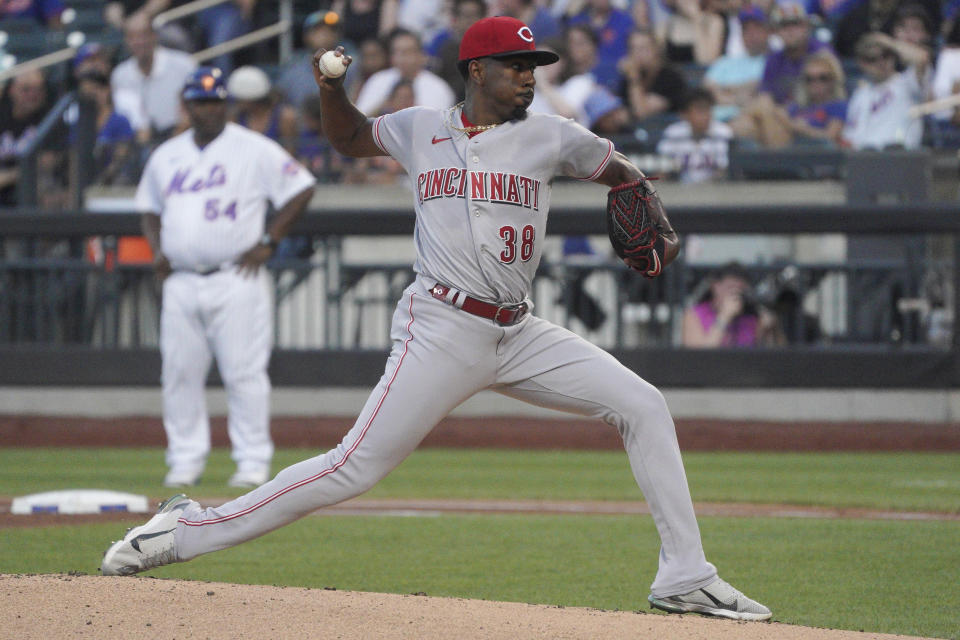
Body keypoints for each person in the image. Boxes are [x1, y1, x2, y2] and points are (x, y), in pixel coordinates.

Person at [100, 17, 772, 624]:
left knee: (643, 405)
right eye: (514, 64)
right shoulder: (421, 127)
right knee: (351, 469)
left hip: (518, 331)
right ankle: (187, 528)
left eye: (533, 65)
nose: (527, 76)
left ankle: (686, 576)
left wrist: (643, 197)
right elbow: (349, 138)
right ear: (476, 70)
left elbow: (615, 166)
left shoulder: (550, 134)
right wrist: (332, 88)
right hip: (441, 327)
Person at [130, 66, 315, 489]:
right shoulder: (168, 153)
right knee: (178, 373)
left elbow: (301, 187)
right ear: (187, 104)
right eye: (200, 101)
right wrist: (157, 249)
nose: (207, 108)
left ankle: (251, 461)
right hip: (180, 278)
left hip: (237, 274)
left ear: (226, 104)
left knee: (244, 372)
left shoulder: (252, 148)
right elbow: (149, 206)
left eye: (215, 100)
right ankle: (184, 460)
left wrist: (270, 238)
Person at [110, 12, 197, 144]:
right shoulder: (120, 75)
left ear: (154, 36)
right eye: (132, 37)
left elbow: (196, 108)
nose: (138, 42)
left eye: (143, 35)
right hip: (139, 144)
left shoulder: (184, 65)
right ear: (126, 41)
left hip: (183, 136)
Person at [843, 32, 924, 149]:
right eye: (872, 59)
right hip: (865, 157)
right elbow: (851, 134)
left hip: (900, 155)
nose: (880, 62)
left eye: (885, 55)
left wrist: (889, 43)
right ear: (862, 63)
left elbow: (921, 58)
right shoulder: (860, 94)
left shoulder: (907, 82)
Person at [355, 28, 455, 115]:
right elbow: (361, 119)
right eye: (396, 52)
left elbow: (439, 129)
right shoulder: (377, 79)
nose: (401, 58)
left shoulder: (438, 87)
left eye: (407, 52)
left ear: (422, 55)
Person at [682, 262, 784, 347]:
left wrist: (771, 328)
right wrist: (724, 317)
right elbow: (699, 358)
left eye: (740, 290)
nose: (736, 294)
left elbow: (775, 356)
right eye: (730, 288)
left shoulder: (752, 317)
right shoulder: (694, 315)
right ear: (715, 286)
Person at [656, 87, 733, 182]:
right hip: (679, 191)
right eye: (700, 110)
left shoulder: (722, 132)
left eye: (708, 109)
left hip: (714, 191)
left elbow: (723, 171)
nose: (706, 115)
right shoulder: (673, 133)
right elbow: (662, 170)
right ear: (685, 114)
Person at [226, 65, 299, 154]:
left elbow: (290, 153)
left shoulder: (285, 117)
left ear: (251, 99)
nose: (236, 102)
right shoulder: (235, 117)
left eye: (239, 99)